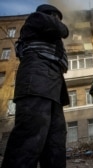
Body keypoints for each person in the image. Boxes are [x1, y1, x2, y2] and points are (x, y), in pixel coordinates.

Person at [1, 4, 69, 168]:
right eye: (56, 17)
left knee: (55, 140)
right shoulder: (37, 18)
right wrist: (57, 22)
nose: (58, 20)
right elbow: (64, 30)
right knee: (31, 135)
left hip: (53, 85)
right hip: (37, 80)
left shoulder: (46, 32)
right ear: (50, 14)